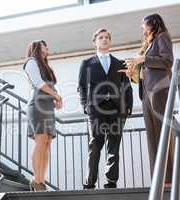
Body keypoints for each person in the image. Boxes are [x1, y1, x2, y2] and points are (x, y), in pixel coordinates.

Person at [78, 29, 133, 189]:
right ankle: (90, 182)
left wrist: (128, 105)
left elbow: (127, 86)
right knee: (95, 145)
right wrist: (85, 107)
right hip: (96, 109)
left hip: (117, 109)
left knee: (114, 147)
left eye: (107, 37)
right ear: (95, 42)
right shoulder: (87, 63)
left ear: (110, 41)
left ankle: (111, 182)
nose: (104, 40)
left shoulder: (120, 63)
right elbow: (81, 87)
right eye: (101, 38)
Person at [123, 13, 174, 185]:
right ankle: (160, 179)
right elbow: (147, 72)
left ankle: (169, 179)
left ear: (152, 23)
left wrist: (143, 58)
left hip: (159, 92)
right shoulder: (148, 43)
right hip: (146, 93)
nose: (141, 27)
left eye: (143, 24)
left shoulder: (162, 37)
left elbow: (167, 61)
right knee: (152, 137)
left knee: (162, 134)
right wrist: (132, 73)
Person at [23, 40, 62, 191]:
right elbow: (39, 83)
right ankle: (36, 179)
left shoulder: (46, 66)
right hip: (37, 105)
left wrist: (56, 97)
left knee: (47, 142)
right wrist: (56, 96)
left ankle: (41, 180)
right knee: (40, 141)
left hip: (47, 106)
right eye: (44, 45)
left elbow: (51, 86)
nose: (47, 47)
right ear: (37, 48)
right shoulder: (31, 62)